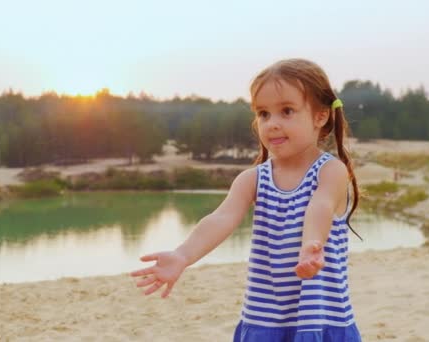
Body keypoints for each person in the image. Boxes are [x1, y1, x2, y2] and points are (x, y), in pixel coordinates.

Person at [130, 58, 363, 341]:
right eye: (263, 114)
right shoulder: (253, 179)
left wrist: (311, 245)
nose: (272, 124)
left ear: (320, 116)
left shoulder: (330, 171)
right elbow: (221, 218)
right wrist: (183, 255)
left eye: (287, 111)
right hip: (264, 319)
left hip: (321, 319)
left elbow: (321, 206)